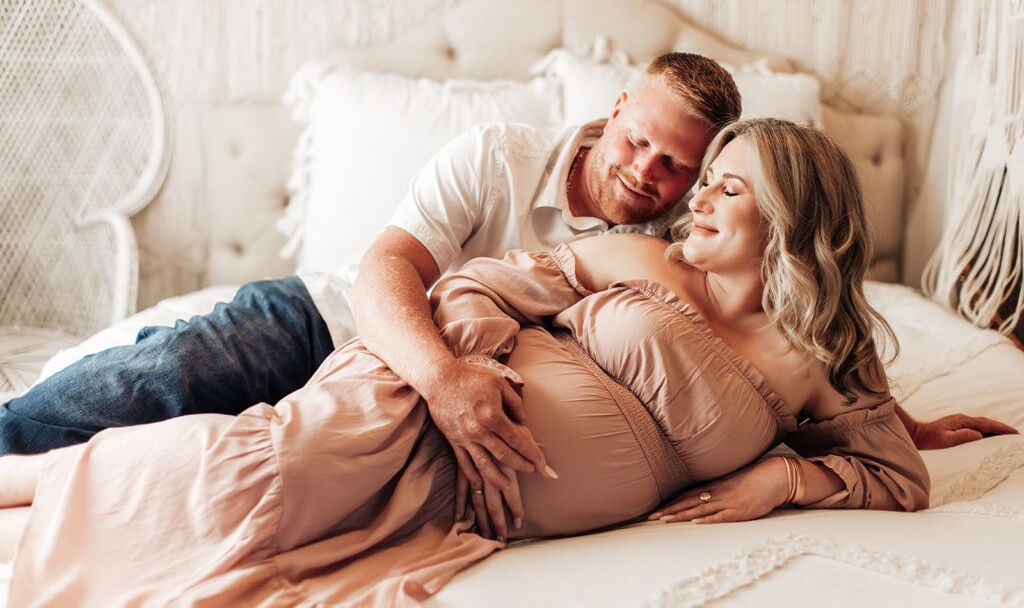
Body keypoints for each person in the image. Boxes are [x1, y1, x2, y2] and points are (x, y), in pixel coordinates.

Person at [1, 119, 934, 605]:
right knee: (250, 471)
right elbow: (468, 285)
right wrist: (475, 379)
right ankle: (26, 475)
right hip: (422, 401)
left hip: (470, 504)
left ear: (789, 220)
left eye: (724, 188)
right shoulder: (631, 254)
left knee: (261, 531)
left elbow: (895, 470)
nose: (689, 200)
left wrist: (781, 480)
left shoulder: (817, 356)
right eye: (704, 181)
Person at [0, 52, 1012, 492]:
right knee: (152, 388)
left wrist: (888, 421)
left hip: (411, 422)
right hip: (333, 325)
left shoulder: (683, 242)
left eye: (680, 167)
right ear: (613, 108)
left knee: (213, 465)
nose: (649, 174)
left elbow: (796, 318)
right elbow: (387, 262)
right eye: (640, 143)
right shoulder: (496, 152)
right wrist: (441, 374)